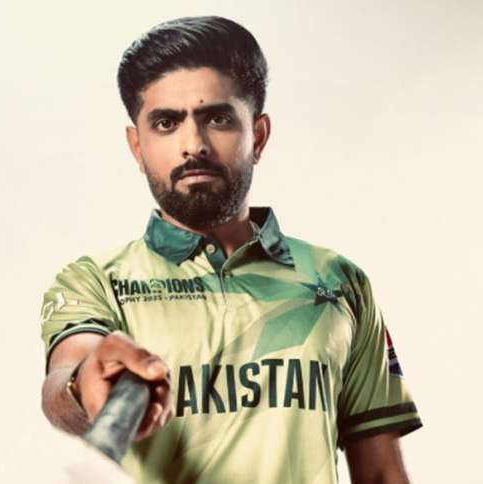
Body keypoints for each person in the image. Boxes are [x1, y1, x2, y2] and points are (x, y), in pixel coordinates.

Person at [39, 15, 422, 484]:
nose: (193, 145)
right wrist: (84, 384)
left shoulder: (340, 281)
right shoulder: (94, 281)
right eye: (166, 123)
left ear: (257, 136)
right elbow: (63, 381)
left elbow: (382, 473)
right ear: (137, 146)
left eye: (217, 118)